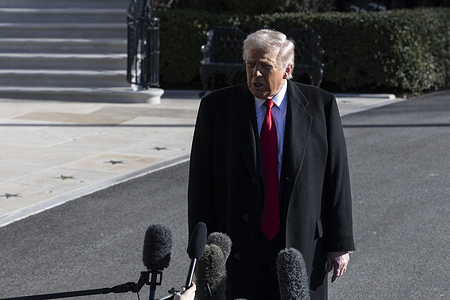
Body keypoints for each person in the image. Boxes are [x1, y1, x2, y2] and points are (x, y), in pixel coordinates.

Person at [188, 29, 355, 300]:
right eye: (250, 65)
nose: (255, 74)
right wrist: (202, 251)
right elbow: (200, 185)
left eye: (265, 67)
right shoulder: (216, 109)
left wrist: (339, 244)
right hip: (239, 242)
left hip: (301, 243)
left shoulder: (320, 106)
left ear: (288, 69)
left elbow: (337, 177)